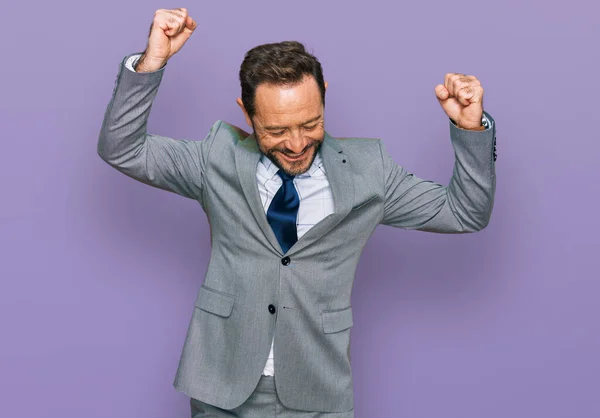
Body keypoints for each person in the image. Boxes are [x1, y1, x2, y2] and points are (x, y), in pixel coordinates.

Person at [97, 7, 497, 418]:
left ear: (323, 92)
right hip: (221, 385)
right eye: (275, 130)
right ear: (246, 111)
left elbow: (465, 213)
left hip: (317, 390)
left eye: (310, 123)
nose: (295, 143)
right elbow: (122, 148)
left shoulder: (370, 170)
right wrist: (151, 63)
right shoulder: (216, 157)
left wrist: (471, 129)